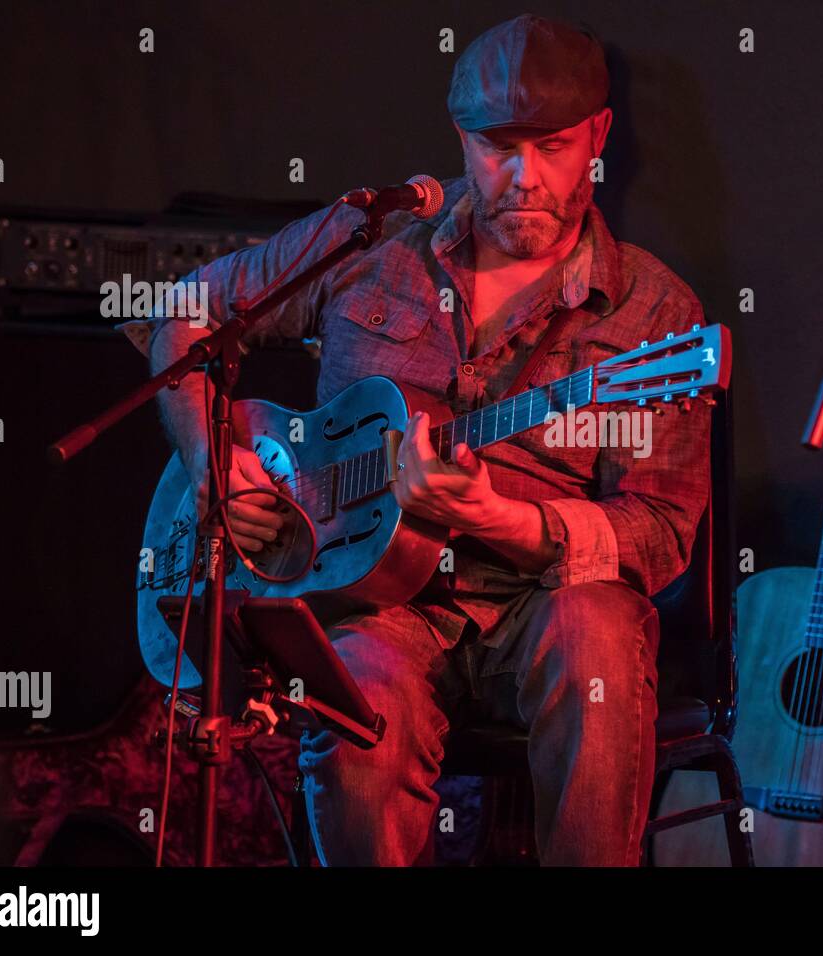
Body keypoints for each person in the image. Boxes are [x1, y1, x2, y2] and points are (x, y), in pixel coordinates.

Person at [132, 14, 712, 865]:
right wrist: (214, 464)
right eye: (495, 148)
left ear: (598, 134)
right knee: (358, 701)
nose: (523, 178)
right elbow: (186, 315)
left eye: (551, 147)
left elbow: (661, 533)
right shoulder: (374, 241)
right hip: (376, 600)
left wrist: (496, 519)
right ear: (459, 138)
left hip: (541, 603)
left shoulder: (652, 313)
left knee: (599, 636)